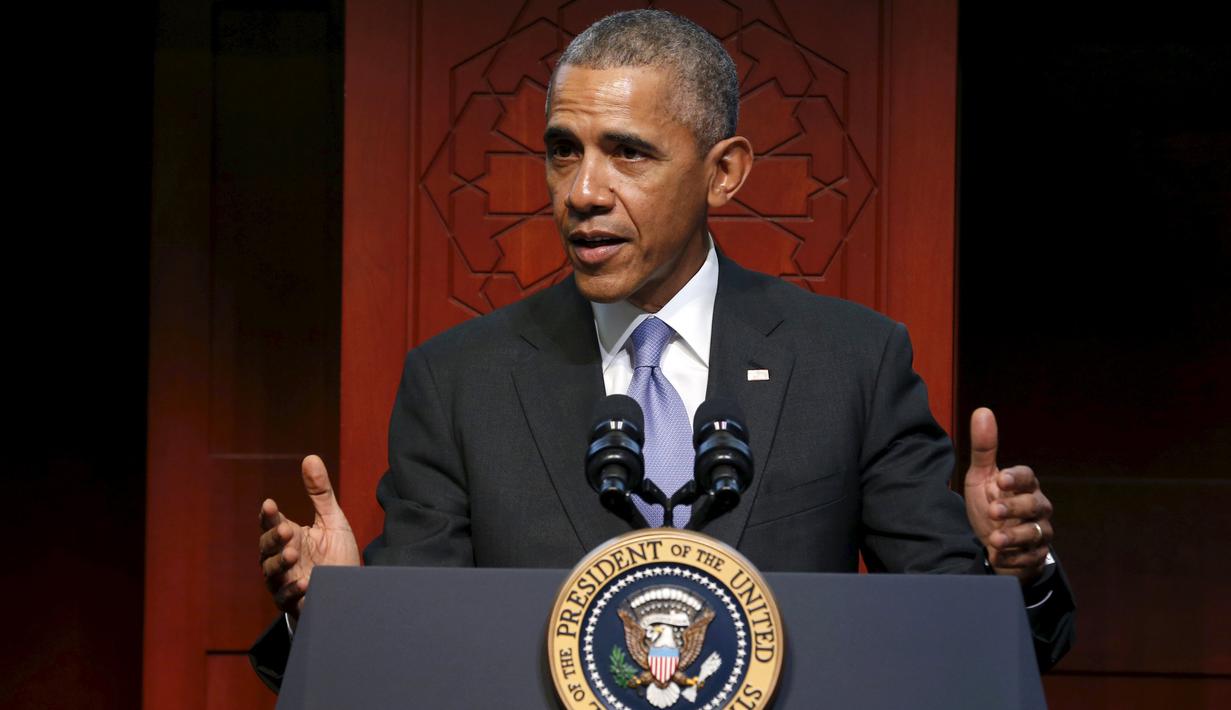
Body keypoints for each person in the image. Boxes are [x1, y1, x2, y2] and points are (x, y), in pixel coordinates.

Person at [252, 9, 1074, 690]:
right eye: (563, 150)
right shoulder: (459, 379)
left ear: (724, 173)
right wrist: (333, 606)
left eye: (627, 153)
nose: (581, 192)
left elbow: (974, 650)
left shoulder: (849, 363)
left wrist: (1011, 578)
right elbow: (412, 660)